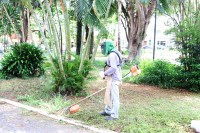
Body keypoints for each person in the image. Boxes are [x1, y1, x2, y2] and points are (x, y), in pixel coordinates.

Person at [99, 40, 122, 121]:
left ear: (108, 46)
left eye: (103, 47)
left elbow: (113, 68)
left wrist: (104, 73)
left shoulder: (112, 55)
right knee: (109, 94)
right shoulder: (115, 52)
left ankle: (114, 115)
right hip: (111, 78)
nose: (102, 49)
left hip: (114, 79)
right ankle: (108, 111)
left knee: (115, 98)